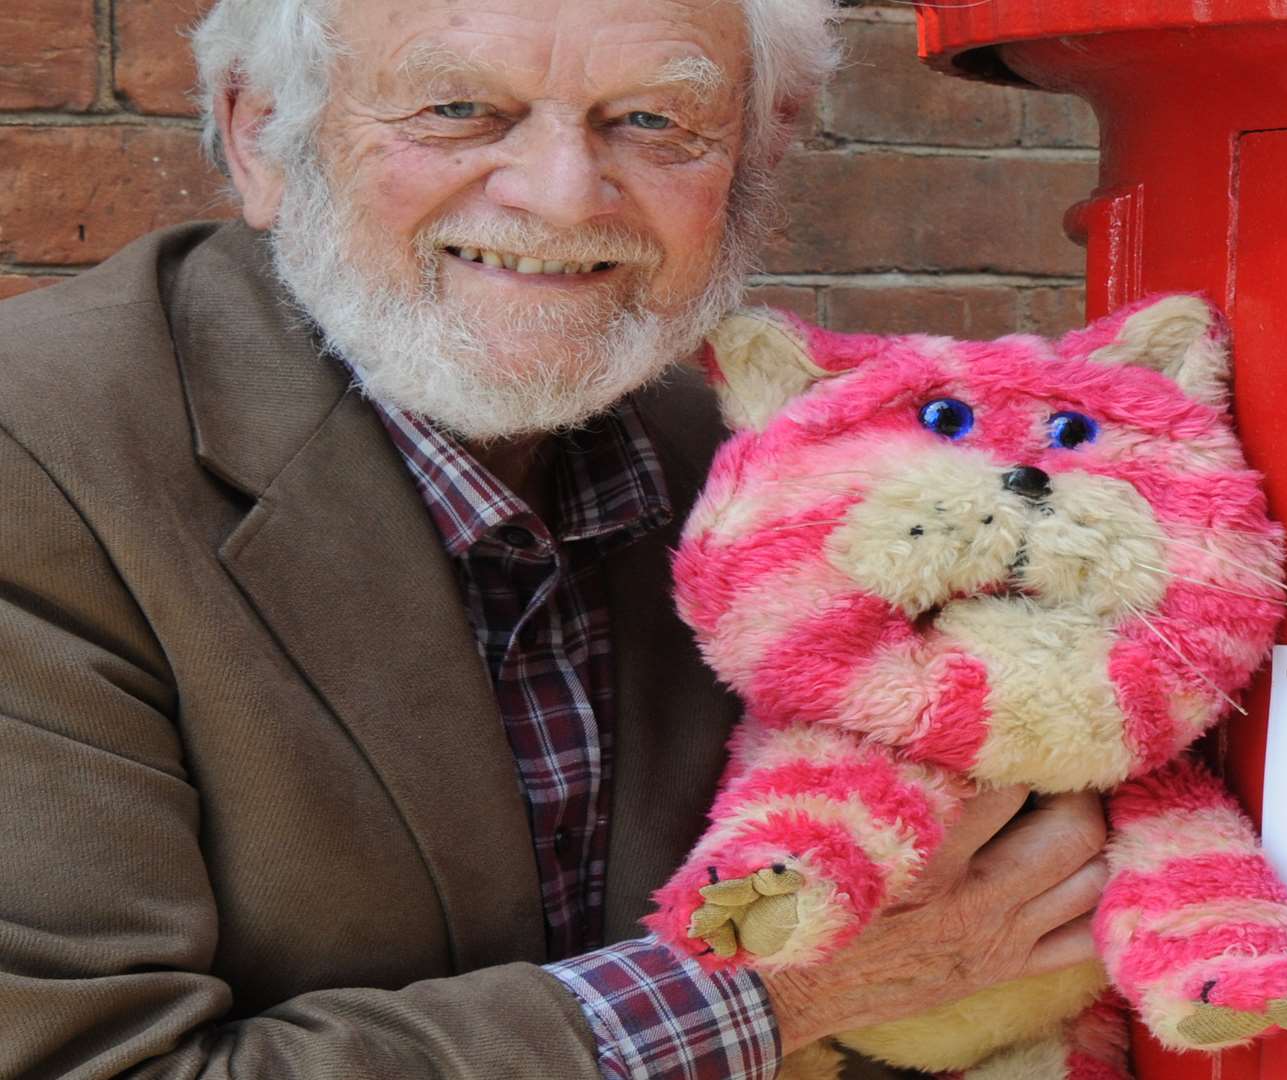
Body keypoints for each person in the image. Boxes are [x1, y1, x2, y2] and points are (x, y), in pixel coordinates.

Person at [0, 1, 1110, 1076]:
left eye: (653, 122)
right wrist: (782, 996)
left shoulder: (745, 466)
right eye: (458, 109)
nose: (563, 199)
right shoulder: (38, 455)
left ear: (756, 158)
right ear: (261, 132)